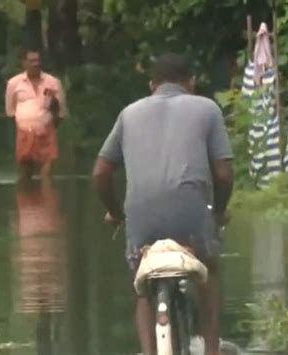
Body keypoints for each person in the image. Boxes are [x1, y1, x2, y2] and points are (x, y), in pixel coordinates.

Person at [92, 53, 234, 355]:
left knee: (142, 286)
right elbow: (223, 175)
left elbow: (100, 173)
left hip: (142, 219)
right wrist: (219, 212)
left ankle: (148, 350)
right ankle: (211, 349)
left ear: (151, 85)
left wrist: (117, 213)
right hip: (192, 217)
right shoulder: (207, 109)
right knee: (210, 270)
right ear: (191, 82)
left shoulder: (128, 114)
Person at [5, 48, 67, 180]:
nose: (36, 63)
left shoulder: (53, 82)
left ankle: (47, 198)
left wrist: (47, 127)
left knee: (47, 174)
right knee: (25, 174)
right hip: (24, 132)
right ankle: (27, 198)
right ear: (24, 63)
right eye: (32, 60)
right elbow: (10, 112)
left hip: (47, 132)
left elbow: (61, 112)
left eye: (38, 60)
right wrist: (25, 126)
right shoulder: (13, 83)